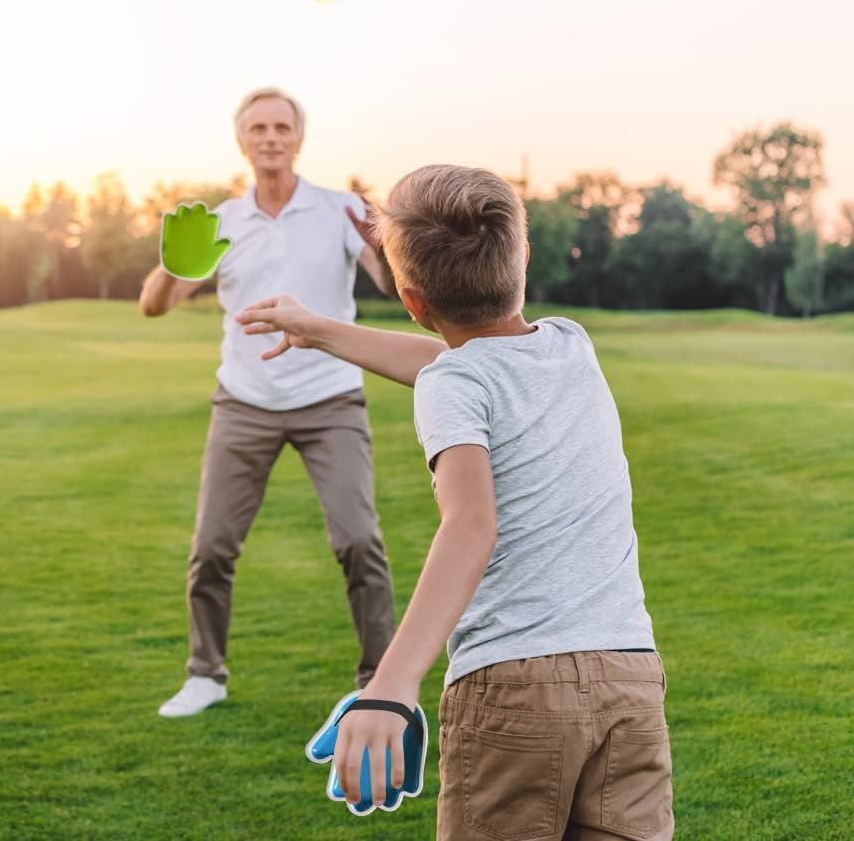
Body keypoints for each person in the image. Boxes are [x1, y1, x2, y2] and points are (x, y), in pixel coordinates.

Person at [237, 164, 674, 840]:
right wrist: (319, 329)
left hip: (514, 689)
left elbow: (471, 524)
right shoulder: (570, 346)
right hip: (631, 680)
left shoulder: (455, 383)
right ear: (522, 256)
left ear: (411, 300)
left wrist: (390, 683)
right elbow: (451, 365)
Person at [140, 87, 400, 718]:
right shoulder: (223, 221)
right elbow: (155, 304)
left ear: (299, 137)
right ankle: (206, 674)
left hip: (330, 397)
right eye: (258, 127)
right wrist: (173, 265)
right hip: (244, 401)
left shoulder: (340, 209)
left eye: (282, 126)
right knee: (212, 548)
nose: (271, 137)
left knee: (359, 540)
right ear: (243, 140)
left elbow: (396, 287)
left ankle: (380, 682)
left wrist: (387, 242)